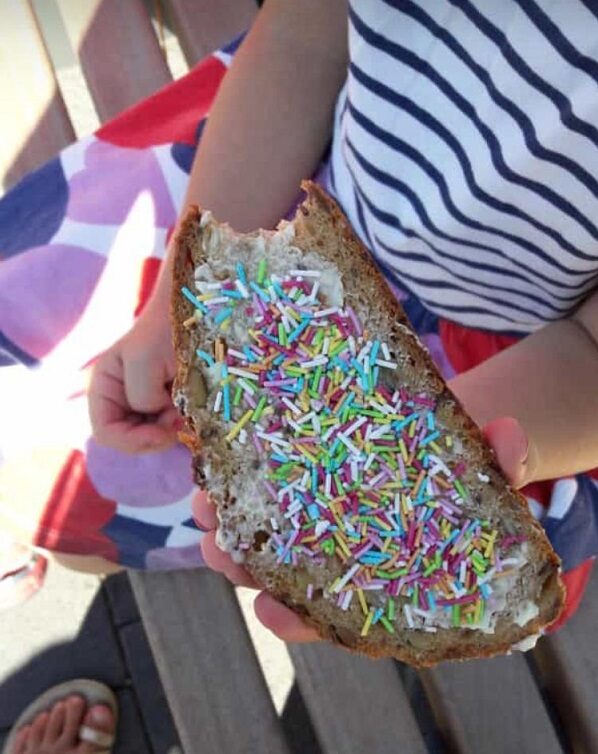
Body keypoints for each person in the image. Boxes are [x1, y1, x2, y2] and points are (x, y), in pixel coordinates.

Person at [1, 0, 596, 681]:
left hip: (502, 368)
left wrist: (406, 447)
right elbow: (298, 39)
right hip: (272, 170)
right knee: (30, 338)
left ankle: (58, 536)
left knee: (133, 491)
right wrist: (181, 301)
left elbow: (588, 352)